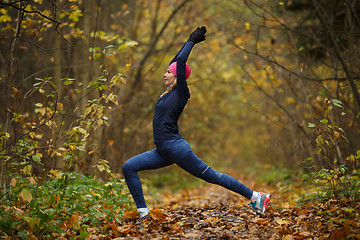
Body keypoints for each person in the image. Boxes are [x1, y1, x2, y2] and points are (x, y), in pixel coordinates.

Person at [122, 26, 270, 220]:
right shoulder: (167, 94)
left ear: (178, 76)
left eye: (168, 72)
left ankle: (257, 196)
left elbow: (180, 62)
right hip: (163, 151)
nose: (164, 74)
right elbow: (177, 61)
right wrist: (188, 40)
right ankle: (144, 214)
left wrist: (191, 42)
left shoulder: (180, 93)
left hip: (176, 149)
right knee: (128, 167)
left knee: (213, 177)